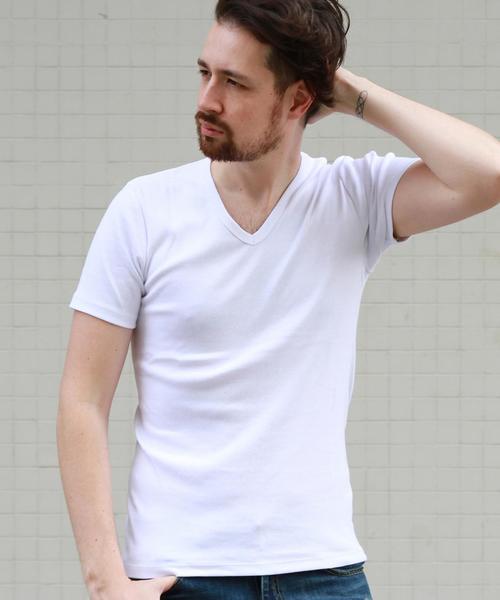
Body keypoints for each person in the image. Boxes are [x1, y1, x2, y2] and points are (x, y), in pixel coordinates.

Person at [56, 0, 500, 599]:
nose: (207, 100)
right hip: (180, 574)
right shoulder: (144, 210)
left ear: (298, 100)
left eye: (234, 83)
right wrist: (106, 582)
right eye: (205, 73)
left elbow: (487, 174)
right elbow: (82, 400)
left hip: (323, 573)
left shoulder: (353, 198)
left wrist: (355, 94)